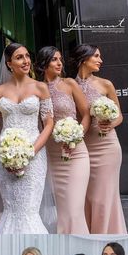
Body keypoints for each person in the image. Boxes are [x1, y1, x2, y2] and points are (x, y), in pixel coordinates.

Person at [0, 43, 54, 234]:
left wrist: (30, 152)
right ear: (9, 63)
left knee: (29, 210)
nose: (26, 61)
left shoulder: (40, 87)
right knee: (11, 209)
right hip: (4, 154)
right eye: (19, 57)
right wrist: (2, 154)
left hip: (35, 153)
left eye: (27, 56)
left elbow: (49, 123)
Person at [35, 46, 90, 234]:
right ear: (44, 64)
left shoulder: (69, 84)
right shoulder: (36, 88)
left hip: (77, 152)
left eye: (60, 59)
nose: (59, 63)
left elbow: (86, 115)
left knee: (74, 209)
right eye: (54, 60)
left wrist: (76, 135)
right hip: (53, 153)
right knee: (63, 209)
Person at [73, 44, 127, 234]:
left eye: (100, 56)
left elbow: (119, 115)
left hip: (107, 147)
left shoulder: (106, 84)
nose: (100, 60)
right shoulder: (71, 85)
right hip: (83, 148)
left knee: (103, 198)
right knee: (86, 197)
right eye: (96, 56)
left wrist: (111, 123)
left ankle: (105, 236)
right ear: (84, 58)